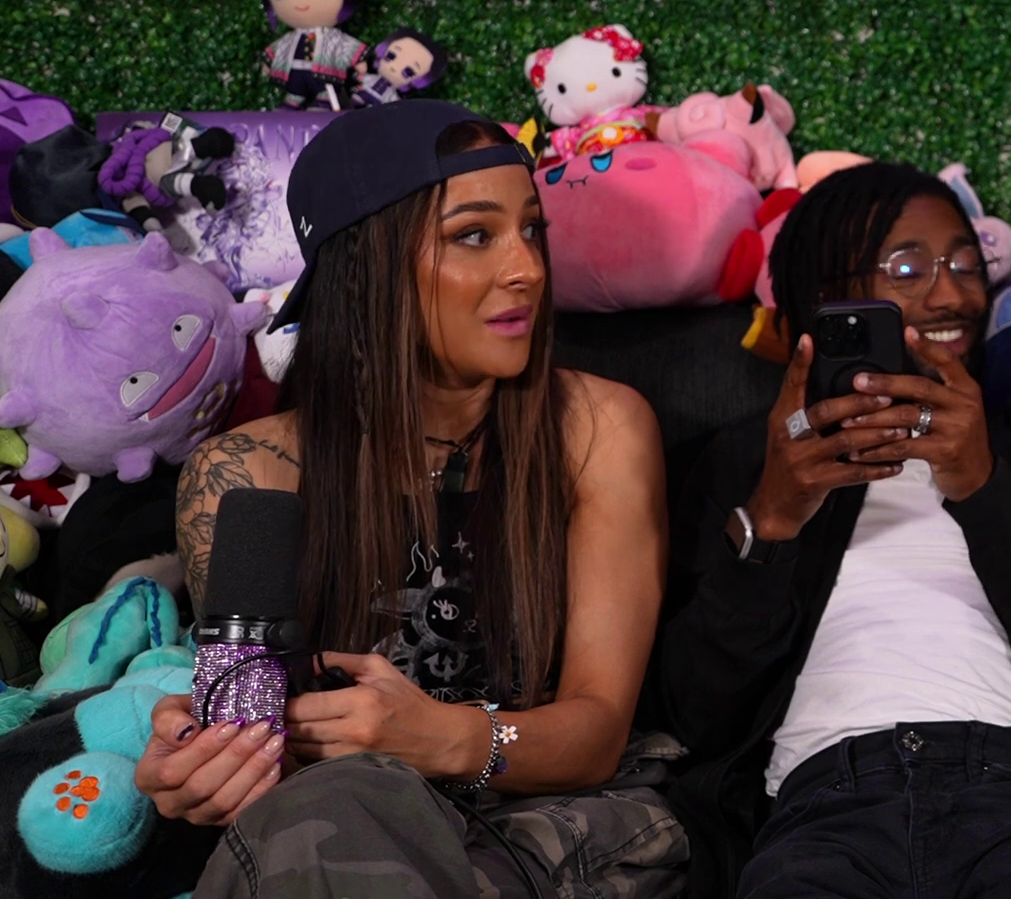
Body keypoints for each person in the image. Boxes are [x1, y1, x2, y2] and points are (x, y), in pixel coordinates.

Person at [132, 100, 687, 897]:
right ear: (366, 267)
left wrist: (445, 737)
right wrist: (212, 762)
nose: (528, 268)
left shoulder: (598, 429)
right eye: (475, 235)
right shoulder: (247, 471)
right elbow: (255, 720)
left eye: (532, 230)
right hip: (338, 829)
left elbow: (596, 734)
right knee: (330, 813)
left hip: (555, 826)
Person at [655, 163, 1011, 898]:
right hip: (821, 806)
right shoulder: (737, 466)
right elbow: (691, 711)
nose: (952, 295)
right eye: (908, 268)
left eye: (965, 264)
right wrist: (772, 520)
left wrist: (986, 488)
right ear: (821, 299)